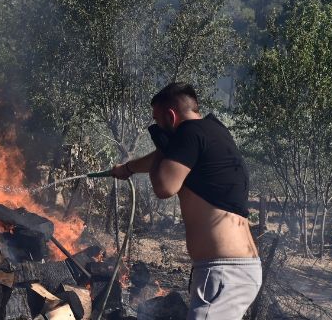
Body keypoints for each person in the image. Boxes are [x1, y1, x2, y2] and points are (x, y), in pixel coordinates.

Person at [111, 82, 261, 319]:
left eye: (157, 120)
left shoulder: (189, 133)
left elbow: (164, 187)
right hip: (233, 270)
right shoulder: (212, 131)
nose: (157, 126)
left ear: (171, 115)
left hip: (223, 271)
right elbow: (167, 159)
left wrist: (162, 145)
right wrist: (128, 168)